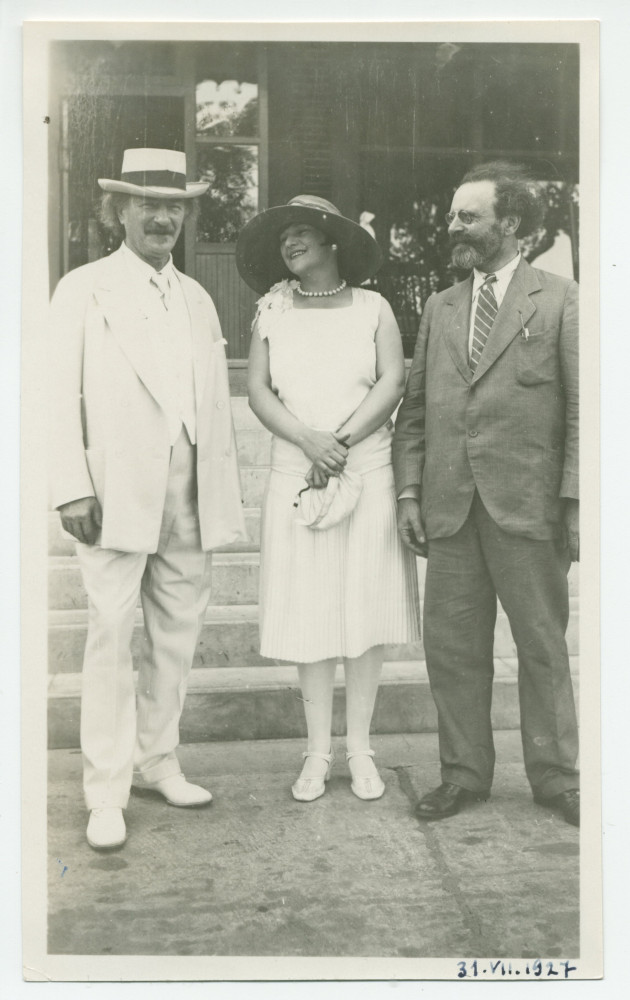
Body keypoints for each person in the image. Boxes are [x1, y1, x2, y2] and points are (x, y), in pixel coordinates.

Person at [48, 148, 247, 850]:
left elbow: (210, 406)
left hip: (188, 489)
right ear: (119, 212)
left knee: (177, 632)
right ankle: (106, 788)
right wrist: (71, 485)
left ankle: (156, 758)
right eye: (147, 204)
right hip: (114, 490)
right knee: (110, 633)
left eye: (175, 206)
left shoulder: (195, 296)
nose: (163, 217)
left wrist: (217, 488)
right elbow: (50, 395)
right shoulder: (84, 287)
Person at [393, 161, 580, 827]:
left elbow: (587, 411)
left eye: (468, 216)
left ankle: (558, 778)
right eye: (453, 215)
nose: (454, 227)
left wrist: (575, 501)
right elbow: (414, 413)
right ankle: (464, 775)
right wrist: (409, 493)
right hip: (449, 509)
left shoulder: (559, 299)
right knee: (452, 649)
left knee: (541, 646)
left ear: (512, 223)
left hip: (527, 509)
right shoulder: (441, 307)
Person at [236, 195, 421, 802]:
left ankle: (361, 749)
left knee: (365, 611)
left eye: (303, 233)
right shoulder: (272, 309)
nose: (291, 244)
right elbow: (259, 390)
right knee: (311, 611)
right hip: (299, 468)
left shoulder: (373, 307)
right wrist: (309, 441)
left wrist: (338, 442)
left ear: (333, 242)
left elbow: (393, 379)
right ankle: (317, 752)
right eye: (284, 236)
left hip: (363, 464)